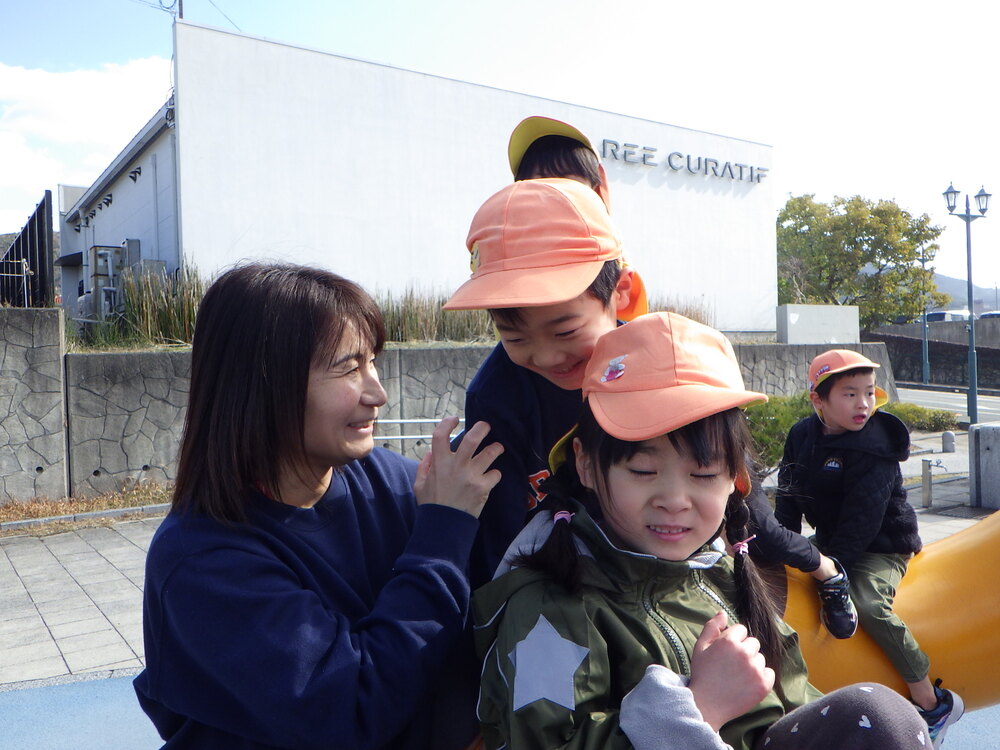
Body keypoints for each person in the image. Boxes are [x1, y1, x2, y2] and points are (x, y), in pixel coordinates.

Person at [474, 313, 931, 750]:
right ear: (586, 464)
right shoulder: (548, 609)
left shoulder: (724, 576)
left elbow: (796, 702)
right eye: (642, 470)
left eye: (704, 474)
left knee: (876, 718)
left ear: (736, 479)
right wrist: (699, 708)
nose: (675, 499)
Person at [132, 263, 503, 750]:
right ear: (264, 384)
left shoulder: (392, 482)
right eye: (349, 367)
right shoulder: (203, 562)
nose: (378, 393)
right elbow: (351, 710)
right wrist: (443, 534)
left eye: (373, 362)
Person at [443, 168, 845, 600]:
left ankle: (829, 573)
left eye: (565, 332)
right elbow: (500, 532)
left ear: (621, 293)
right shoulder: (496, 397)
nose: (545, 357)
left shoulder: (651, 358)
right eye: (514, 338)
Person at [775, 349, 964, 747]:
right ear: (818, 400)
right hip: (832, 538)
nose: (863, 404)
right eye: (849, 394)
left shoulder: (875, 447)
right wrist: (781, 549)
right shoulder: (801, 436)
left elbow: (863, 522)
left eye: (868, 393)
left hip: (882, 545)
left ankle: (933, 702)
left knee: (866, 602)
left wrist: (832, 574)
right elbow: (788, 497)